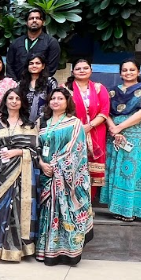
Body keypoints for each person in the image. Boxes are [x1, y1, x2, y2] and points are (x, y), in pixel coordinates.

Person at [36, 87, 94, 266]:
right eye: (53, 98)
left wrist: (55, 166)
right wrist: (41, 164)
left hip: (64, 177)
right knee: (48, 211)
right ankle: (46, 251)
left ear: (67, 102)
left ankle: (68, 252)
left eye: (60, 98)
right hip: (45, 174)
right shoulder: (42, 122)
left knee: (64, 211)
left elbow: (75, 149)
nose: (55, 101)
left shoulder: (74, 123)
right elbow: (35, 146)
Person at [102, 59, 141, 221]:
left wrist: (119, 127)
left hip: (136, 137)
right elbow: (105, 111)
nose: (128, 73)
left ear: (138, 72)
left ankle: (133, 210)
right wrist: (113, 129)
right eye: (124, 70)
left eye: (132, 70)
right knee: (118, 171)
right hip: (115, 137)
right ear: (120, 73)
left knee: (132, 172)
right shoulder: (113, 91)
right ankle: (117, 208)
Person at [0, 87, 39, 262]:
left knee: (20, 209)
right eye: (11, 98)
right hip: (1, 173)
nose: (14, 101)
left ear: (22, 102)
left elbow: (36, 151)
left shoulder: (30, 125)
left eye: (17, 98)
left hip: (24, 174)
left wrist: (18, 152)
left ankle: (20, 249)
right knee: (0, 209)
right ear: (5, 101)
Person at [66, 59, 110, 200]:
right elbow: (61, 111)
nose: (82, 71)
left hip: (96, 131)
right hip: (72, 133)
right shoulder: (66, 88)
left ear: (91, 70)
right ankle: (72, 203)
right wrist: (78, 128)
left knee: (92, 168)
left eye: (85, 68)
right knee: (72, 166)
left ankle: (88, 204)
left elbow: (104, 111)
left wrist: (89, 126)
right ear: (73, 71)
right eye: (78, 68)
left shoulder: (99, 88)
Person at [6, 9, 61, 80]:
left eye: (37, 18)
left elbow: (51, 68)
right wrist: (15, 83)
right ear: (26, 22)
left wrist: (37, 83)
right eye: (31, 18)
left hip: (41, 84)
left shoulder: (51, 42)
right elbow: (9, 65)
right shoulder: (16, 43)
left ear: (43, 22)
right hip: (17, 84)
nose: (34, 20)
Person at [19, 55, 57, 123]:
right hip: (23, 121)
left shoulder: (50, 82)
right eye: (31, 63)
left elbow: (54, 102)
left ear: (43, 66)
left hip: (45, 121)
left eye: (37, 63)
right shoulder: (21, 84)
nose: (34, 66)